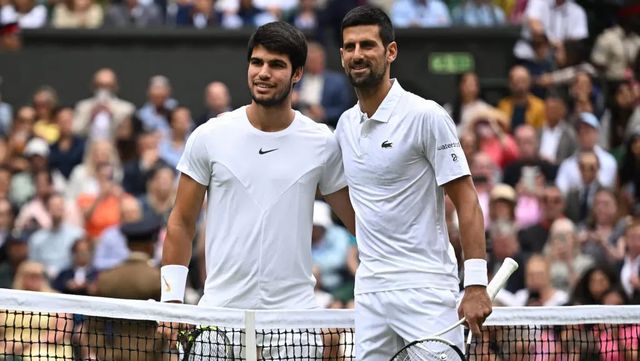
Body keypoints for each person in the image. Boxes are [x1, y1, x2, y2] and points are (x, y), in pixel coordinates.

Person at [161, 21, 355, 357]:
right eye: (257, 62)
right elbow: (181, 222)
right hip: (218, 316)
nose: (263, 73)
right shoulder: (210, 136)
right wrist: (171, 301)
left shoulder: (322, 142)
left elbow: (358, 221)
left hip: (293, 322)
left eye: (276, 65)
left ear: (297, 74)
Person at [335, 6, 491, 360]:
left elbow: (467, 201)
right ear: (342, 56)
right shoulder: (344, 126)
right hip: (371, 290)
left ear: (390, 52)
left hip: (426, 288)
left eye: (367, 45)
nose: (357, 54)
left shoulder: (427, 116)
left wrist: (476, 282)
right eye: (349, 47)